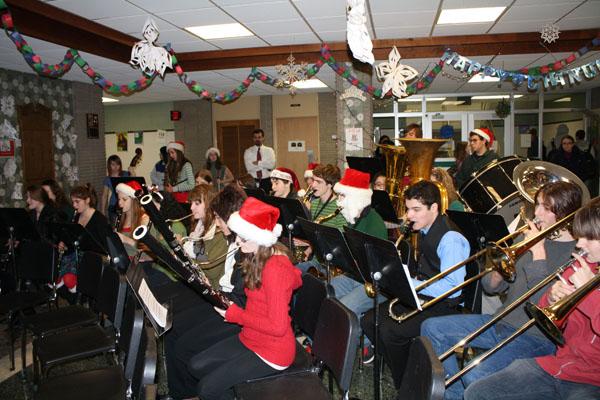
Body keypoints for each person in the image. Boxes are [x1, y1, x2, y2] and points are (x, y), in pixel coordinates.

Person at [421, 181, 582, 400]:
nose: (536, 213)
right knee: (431, 329)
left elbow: (543, 303)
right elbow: (489, 288)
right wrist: (500, 269)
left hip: (536, 338)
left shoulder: (576, 256)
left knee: (477, 374)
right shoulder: (527, 239)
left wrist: (539, 253)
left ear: (564, 214)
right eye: (537, 205)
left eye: (545, 207)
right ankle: (455, 394)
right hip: (500, 321)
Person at [463, 198, 600, 400]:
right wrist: (552, 297)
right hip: (558, 364)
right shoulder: (583, 265)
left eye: (589, 238)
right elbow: (546, 313)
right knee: (476, 392)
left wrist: (587, 296)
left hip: (592, 380)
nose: (579, 244)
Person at [188, 197, 302, 400]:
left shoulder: (274, 269)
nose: (237, 241)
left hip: (272, 352)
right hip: (251, 337)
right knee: (196, 366)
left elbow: (278, 327)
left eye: (243, 237)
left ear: (260, 238)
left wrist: (235, 314)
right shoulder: (256, 255)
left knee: (207, 389)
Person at [361, 180, 469, 386]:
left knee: (390, 331)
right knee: (369, 320)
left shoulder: (450, 238)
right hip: (423, 295)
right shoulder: (425, 229)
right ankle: (405, 365)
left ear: (434, 208)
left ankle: (407, 383)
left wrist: (412, 283)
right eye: (408, 209)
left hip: (445, 305)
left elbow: (453, 288)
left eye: (416, 210)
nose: (409, 216)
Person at [165, 184, 247, 400]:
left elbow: (210, 262)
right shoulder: (226, 234)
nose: (218, 224)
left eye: (220, 219)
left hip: (233, 308)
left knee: (184, 345)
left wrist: (189, 247)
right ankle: (179, 393)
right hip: (224, 298)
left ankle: (188, 394)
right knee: (173, 327)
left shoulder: (243, 243)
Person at [328, 168, 387, 358]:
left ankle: (359, 345)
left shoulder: (374, 222)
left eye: (343, 196)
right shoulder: (354, 217)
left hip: (374, 284)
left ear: (356, 197)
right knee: (326, 293)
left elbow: (377, 264)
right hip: (356, 277)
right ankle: (324, 342)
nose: (339, 201)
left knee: (344, 308)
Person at [57, 184, 111, 294]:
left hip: (93, 257)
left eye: (77, 202)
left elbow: (105, 245)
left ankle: (71, 281)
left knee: (69, 270)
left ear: (87, 200)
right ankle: (67, 281)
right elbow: (73, 237)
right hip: (79, 254)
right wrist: (65, 243)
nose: (74, 205)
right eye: (73, 202)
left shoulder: (99, 219)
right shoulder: (77, 216)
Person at [295, 164, 348, 274]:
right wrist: (308, 243)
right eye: (313, 180)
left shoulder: (340, 208)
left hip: (332, 265)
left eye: (318, 182)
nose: (313, 185)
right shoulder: (314, 204)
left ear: (330, 184)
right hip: (316, 260)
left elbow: (340, 242)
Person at [183, 184, 228, 288]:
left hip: (215, 289)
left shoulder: (220, 231)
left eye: (197, 203)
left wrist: (186, 257)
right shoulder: (199, 227)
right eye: (191, 203)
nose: (191, 207)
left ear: (209, 204)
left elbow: (211, 269)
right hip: (199, 282)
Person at [114, 180, 149, 256]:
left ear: (134, 200)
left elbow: (146, 252)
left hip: (137, 264)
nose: (120, 203)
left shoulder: (144, 219)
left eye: (124, 199)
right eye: (119, 199)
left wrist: (125, 240)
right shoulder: (120, 217)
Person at [243, 128, 276, 194]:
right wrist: (265, 165)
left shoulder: (269, 150)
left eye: (259, 137)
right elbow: (249, 167)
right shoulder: (248, 151)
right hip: (252, 180)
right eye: (255, 137)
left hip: (267, 180)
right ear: (253, 138)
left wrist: (258, 162)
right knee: (253, 201)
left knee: (267, 201)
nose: (257, 139)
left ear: (263, 138)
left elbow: (272, 166)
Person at [100, 155, 129, 223]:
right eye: (113, 164)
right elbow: (104, 196)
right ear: (109, 166)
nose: (116, 167)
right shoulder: (107, 179)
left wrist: (133, 172)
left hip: (125, 204)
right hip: (113, 205)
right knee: (114, 228)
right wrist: (103, 211)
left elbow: (134, 184)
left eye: (117, 164)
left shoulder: (125, 174)